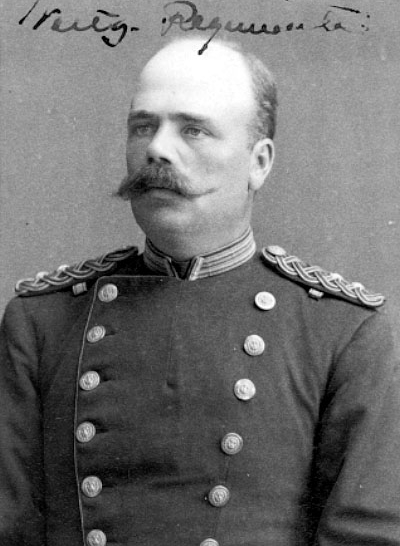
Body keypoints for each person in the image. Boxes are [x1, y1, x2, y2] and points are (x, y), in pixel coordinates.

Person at [0, 37, 399, 546]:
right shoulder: (42, 322)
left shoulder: (340, 332)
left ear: (259, 162)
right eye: (143, 126)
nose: (157, 149)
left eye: (193, 129)